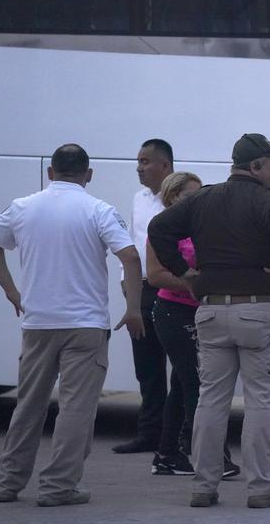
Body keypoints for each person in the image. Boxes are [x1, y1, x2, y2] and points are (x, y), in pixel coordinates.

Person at [149, 133, 270, 509]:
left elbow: (158, 229)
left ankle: (203, 486)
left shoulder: (203, 198)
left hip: (212, 310)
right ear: (255, 167)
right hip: (261, 310)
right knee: (261, 403)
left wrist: (185, 273)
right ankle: (261, 489)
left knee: (210, 401)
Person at [0, 144, 143, 506]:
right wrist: (133, 308)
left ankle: (7, 484)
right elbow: (131, 255)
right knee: (76, 409)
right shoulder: (98, 210)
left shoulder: (22, 207)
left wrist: (12, 291)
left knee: (28, 404)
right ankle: (58, 487)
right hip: (86, 325)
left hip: (38, 323)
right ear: (88, 174)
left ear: (50, 172)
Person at [146, 172, 240, 479]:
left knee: (181, 384)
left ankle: (167, 454)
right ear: (173, 199)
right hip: (173, 312)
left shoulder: (202, 228)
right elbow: (156, 275)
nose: (197, 203)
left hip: (200, 312)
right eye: (190, 197)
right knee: (196, 383)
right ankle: (212, 456)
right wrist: (194, 283)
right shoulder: (163, 231)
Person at [114, 138, 174, 454]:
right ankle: (150, 433)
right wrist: (128, 283)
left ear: (165, 165)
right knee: (147, 366)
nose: (139, 168)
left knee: (182, 365)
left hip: (173, 289)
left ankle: (181, 435)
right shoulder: (139, 199)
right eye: (138, 161)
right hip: (144, 288)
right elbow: (133, 245)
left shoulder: (181, 196)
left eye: (145, 162)